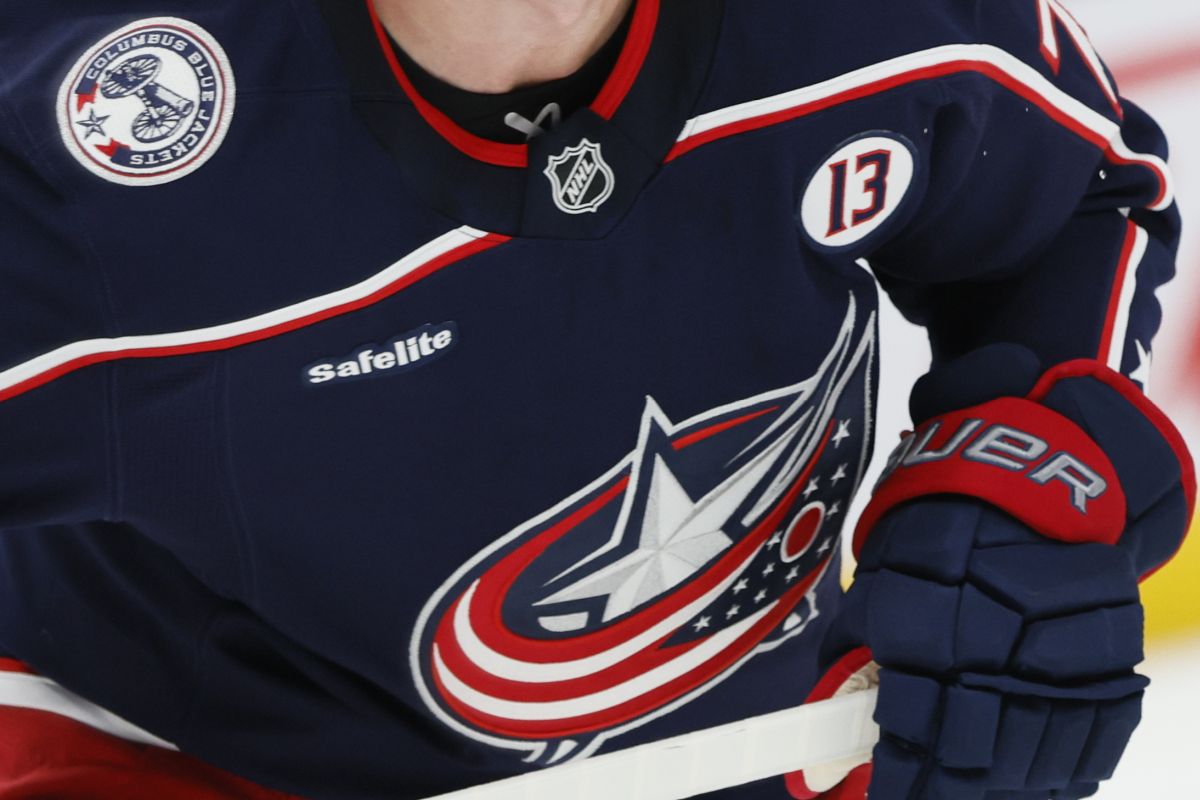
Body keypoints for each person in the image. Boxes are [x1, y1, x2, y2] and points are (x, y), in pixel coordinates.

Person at [0, 0, 1191, 798]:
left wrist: (1025, 464)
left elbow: (1080, 194)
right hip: (180, 754)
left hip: (751, 749)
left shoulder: (879, 24)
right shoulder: (82, 153)